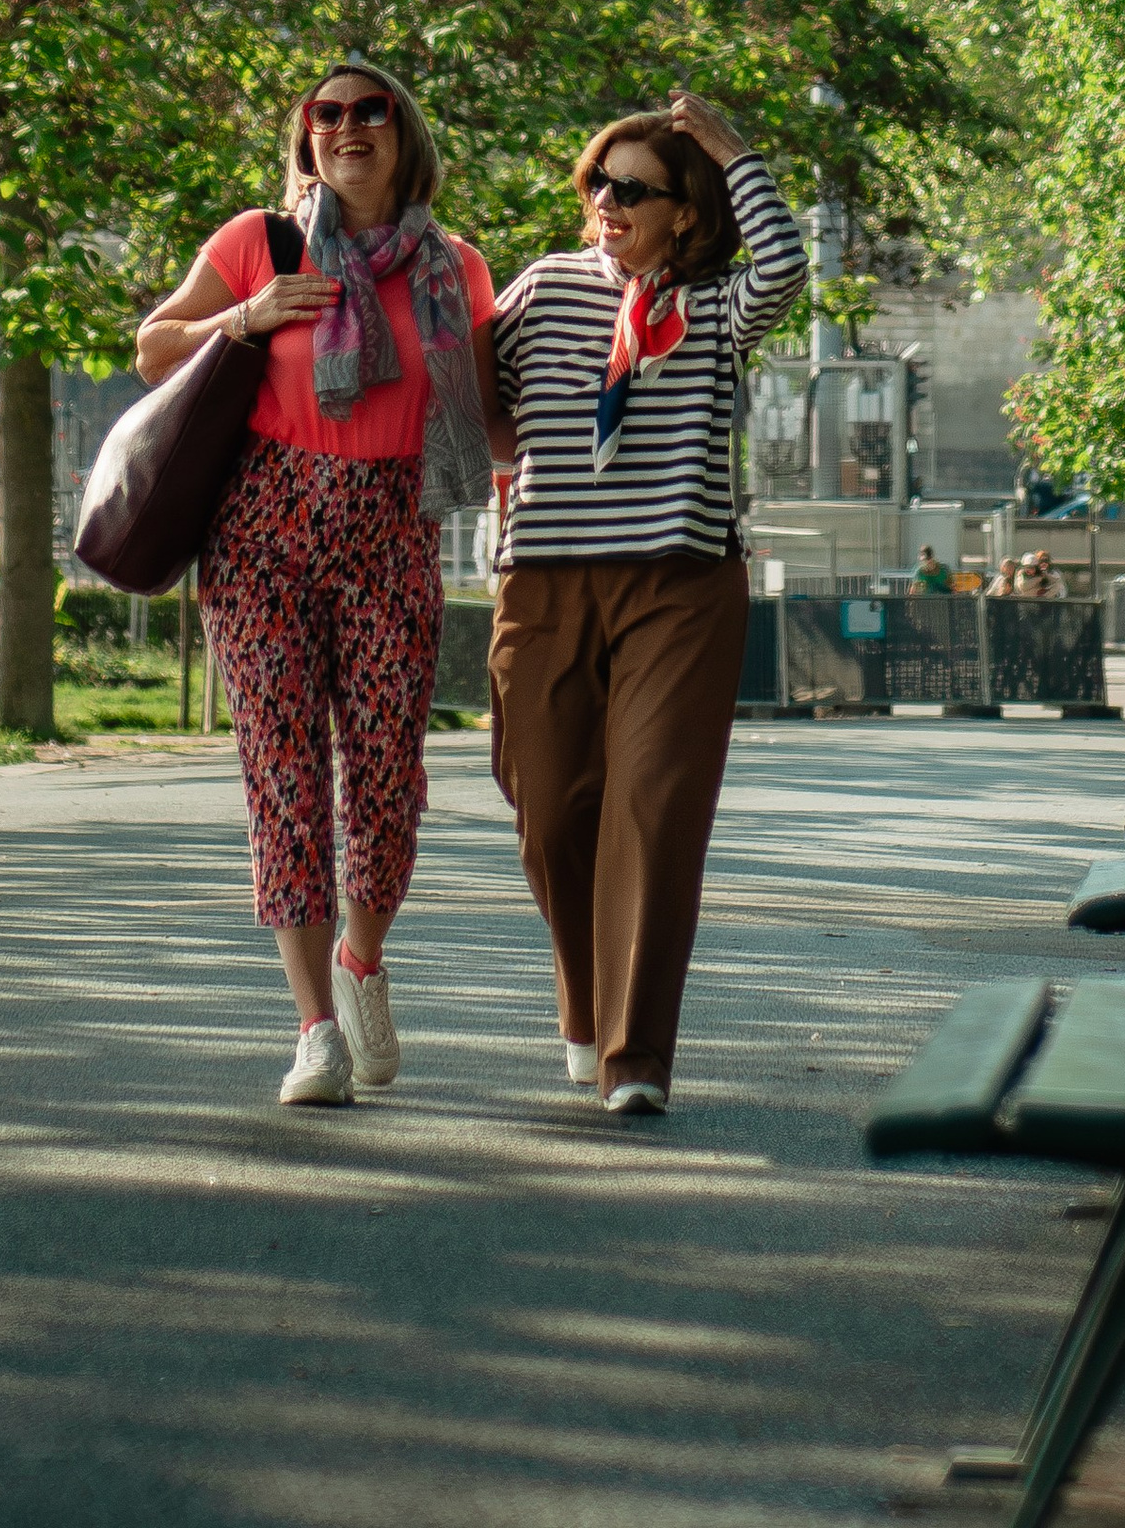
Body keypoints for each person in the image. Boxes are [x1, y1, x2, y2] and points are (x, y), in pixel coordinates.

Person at [138, 57, 495, 1108]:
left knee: (386, 781)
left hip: (393, 534)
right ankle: (313, 1031)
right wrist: (244, 315)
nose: (345, 127)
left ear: (402, 129)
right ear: (307, 135)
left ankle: (360, 960)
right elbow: (154, 346)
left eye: (367, 110)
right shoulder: (261, 241)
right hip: (262, 534)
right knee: (285, 781)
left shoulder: (456, 267)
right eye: (324, 113)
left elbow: (490, 413)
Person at [475, 89, 804, 1117]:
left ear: (685, 213)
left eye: (633, 189)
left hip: (680, 582)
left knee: (652, 810)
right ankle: (585, 1001)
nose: (607, 202)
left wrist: (733, 151)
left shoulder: (712, 309)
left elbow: (785, 269)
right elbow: (477, 403)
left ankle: (636, 1056)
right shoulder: (540, 289)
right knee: (548, 809)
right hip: (545, 579)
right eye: (598, 183)